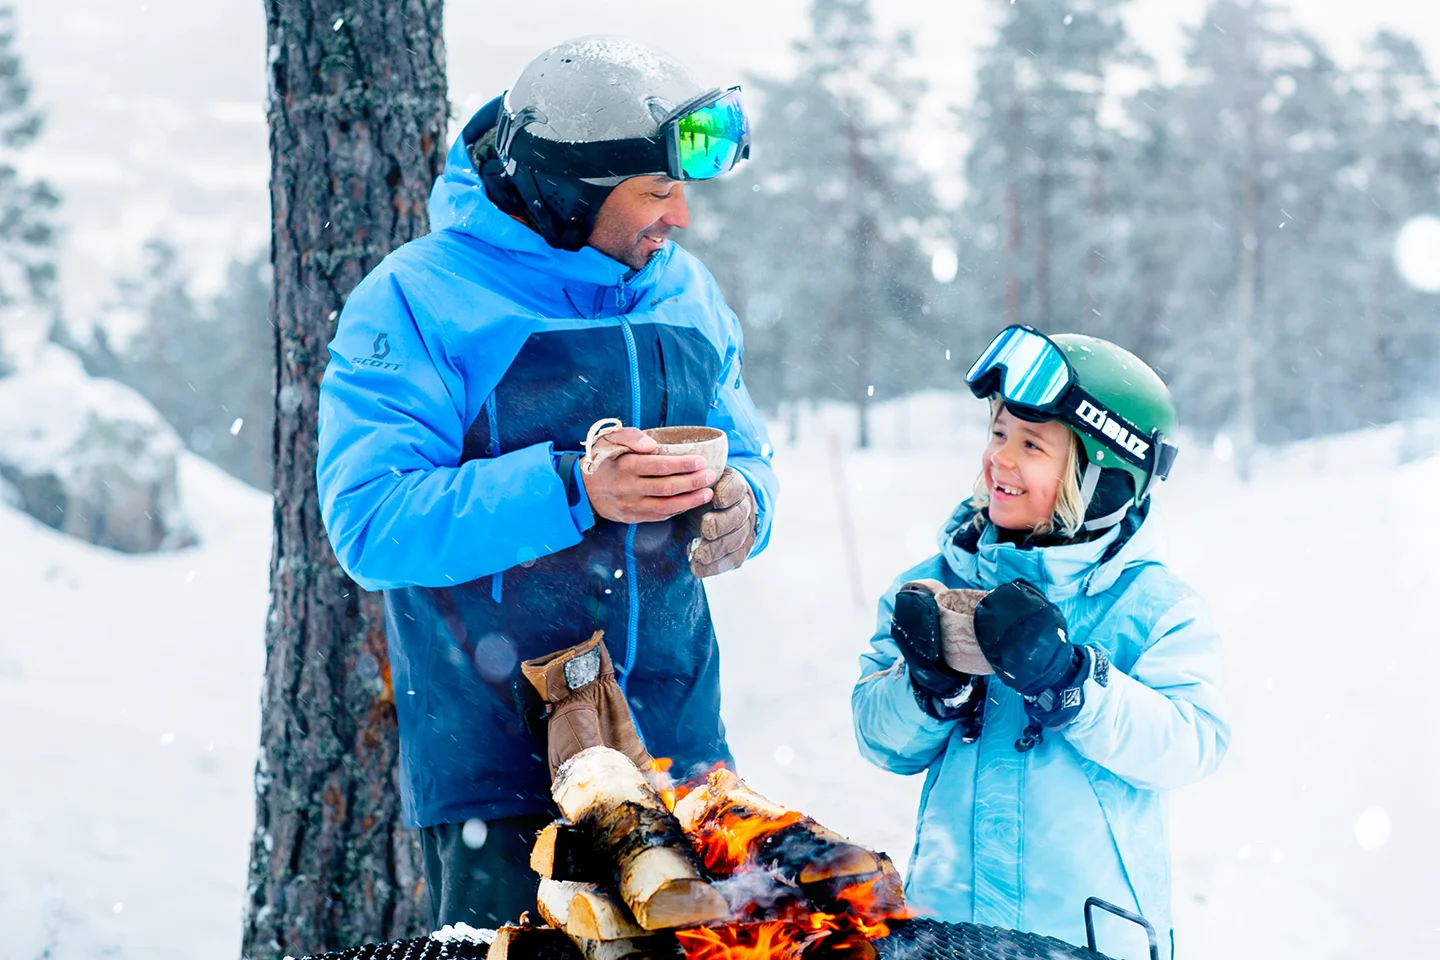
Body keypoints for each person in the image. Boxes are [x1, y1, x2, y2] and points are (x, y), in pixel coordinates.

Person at [315, 37, 777, 930]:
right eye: (657, 190)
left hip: (680, 750)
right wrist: (572, 488)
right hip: (503, 772)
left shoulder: (684, 291)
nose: (682, 215)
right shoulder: (417, 300)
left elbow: (749, 450)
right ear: (572, 191)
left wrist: (747, 504)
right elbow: (370, 522)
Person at [851, 326, 1228, 960]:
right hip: (949, 934)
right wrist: (927, 690)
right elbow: (878, 740)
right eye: (998, 433)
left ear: (1101, 475)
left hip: (1086, 938)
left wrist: (1076, 685)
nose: (1000, 458)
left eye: (1032, 444)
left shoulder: (1153, 608)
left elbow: (1192, 743)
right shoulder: (937, 585)